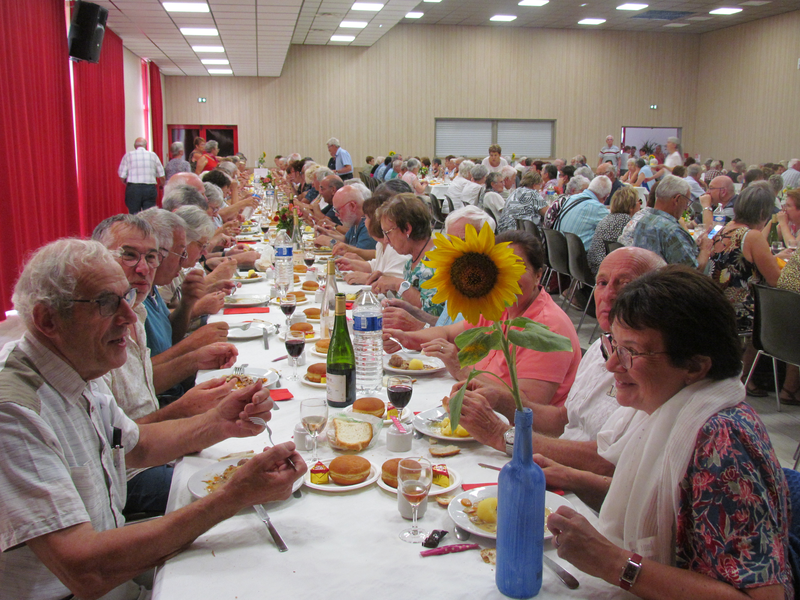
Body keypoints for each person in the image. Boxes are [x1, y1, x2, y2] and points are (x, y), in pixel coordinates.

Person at [0, 238, 306, 600]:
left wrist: (220, 422)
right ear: (48, 319)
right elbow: (84, 569)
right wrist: (232, 497)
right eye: (105, 304)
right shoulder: (15, 414)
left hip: (119, 578)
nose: (130, 317)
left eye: (126, 298)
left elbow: (137, 445)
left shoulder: (77, 368)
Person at [540, 266, 792, 599]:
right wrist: (570, 477)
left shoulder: (722, 441)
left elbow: (764, 597)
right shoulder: (669, 410)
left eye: (631, 351)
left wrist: (614, 563)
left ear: (694, 366)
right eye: (614, 345)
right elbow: (681, 514)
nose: (613, 364)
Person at [445, 247, 666, 475]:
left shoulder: (651, 366)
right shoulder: (600, 348)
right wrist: (502, 400)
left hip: (580, 489)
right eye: (601, 283)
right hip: (556, 470)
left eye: (624, 284)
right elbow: (564, 419)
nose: (608, 294)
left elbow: (607, 461)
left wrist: (501, 434)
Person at [386, 230, 582, 407]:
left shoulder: (548, 327)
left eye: (516, 267)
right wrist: (407, 337)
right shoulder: (496, 307)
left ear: (539, 276)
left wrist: (462, 370)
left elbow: (528, 406)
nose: (508, 276)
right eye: (501, 267)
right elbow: (447, 333)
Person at [369, 193, 443, 317]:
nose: (386, 240)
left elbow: (432, 312)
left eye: (388, 233)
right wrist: (388, 284)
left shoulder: (436, 259)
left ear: (407, 229)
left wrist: (398, 284)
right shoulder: (412, 260)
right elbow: (411, 303)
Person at [336, 181, 412, 284]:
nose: (364, 221)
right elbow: (378, 266)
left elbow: (397, 285)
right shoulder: (382, 243)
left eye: (366, 217)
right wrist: (354, 264)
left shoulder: (396, 246)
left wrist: (369, 278)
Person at [631, 175, 711, 269]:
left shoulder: (643, 220)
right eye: (687, 202)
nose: (686, 208)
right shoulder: (671, 230)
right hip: (666, 282)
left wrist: (692, 245)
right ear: (677, 199)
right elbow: (692, 273)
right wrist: (705, 249)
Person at [587, 185, 639, 274]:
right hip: (605, 269)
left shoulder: (607, 218)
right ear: (631, 207)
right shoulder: (627, 221)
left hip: (593, 265)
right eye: (639, 201)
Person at [316, 184, 378, 256]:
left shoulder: (367, 224)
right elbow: (346, 240)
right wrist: (328, 234)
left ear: (352, 206)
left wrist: (330, 242)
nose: (336, 215)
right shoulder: (355, 220)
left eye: (338, 211)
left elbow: (359, 255)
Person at [556, 174, 611, 251]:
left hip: (558, 251)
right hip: (578, 257)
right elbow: (612, 229)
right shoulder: (598, 208)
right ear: (605, 197)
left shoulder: (571, 198)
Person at [118, 137, 165, 214]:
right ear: (146, 146)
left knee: (134, 215)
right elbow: (162, 175)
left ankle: (136, 226)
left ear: (135, 146)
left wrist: (127, 184)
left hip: (133, 188)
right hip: (149, 188)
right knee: (150, 214)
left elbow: (122, 176)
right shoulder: (153, 155)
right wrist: (161, 184)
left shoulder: (128, 155)